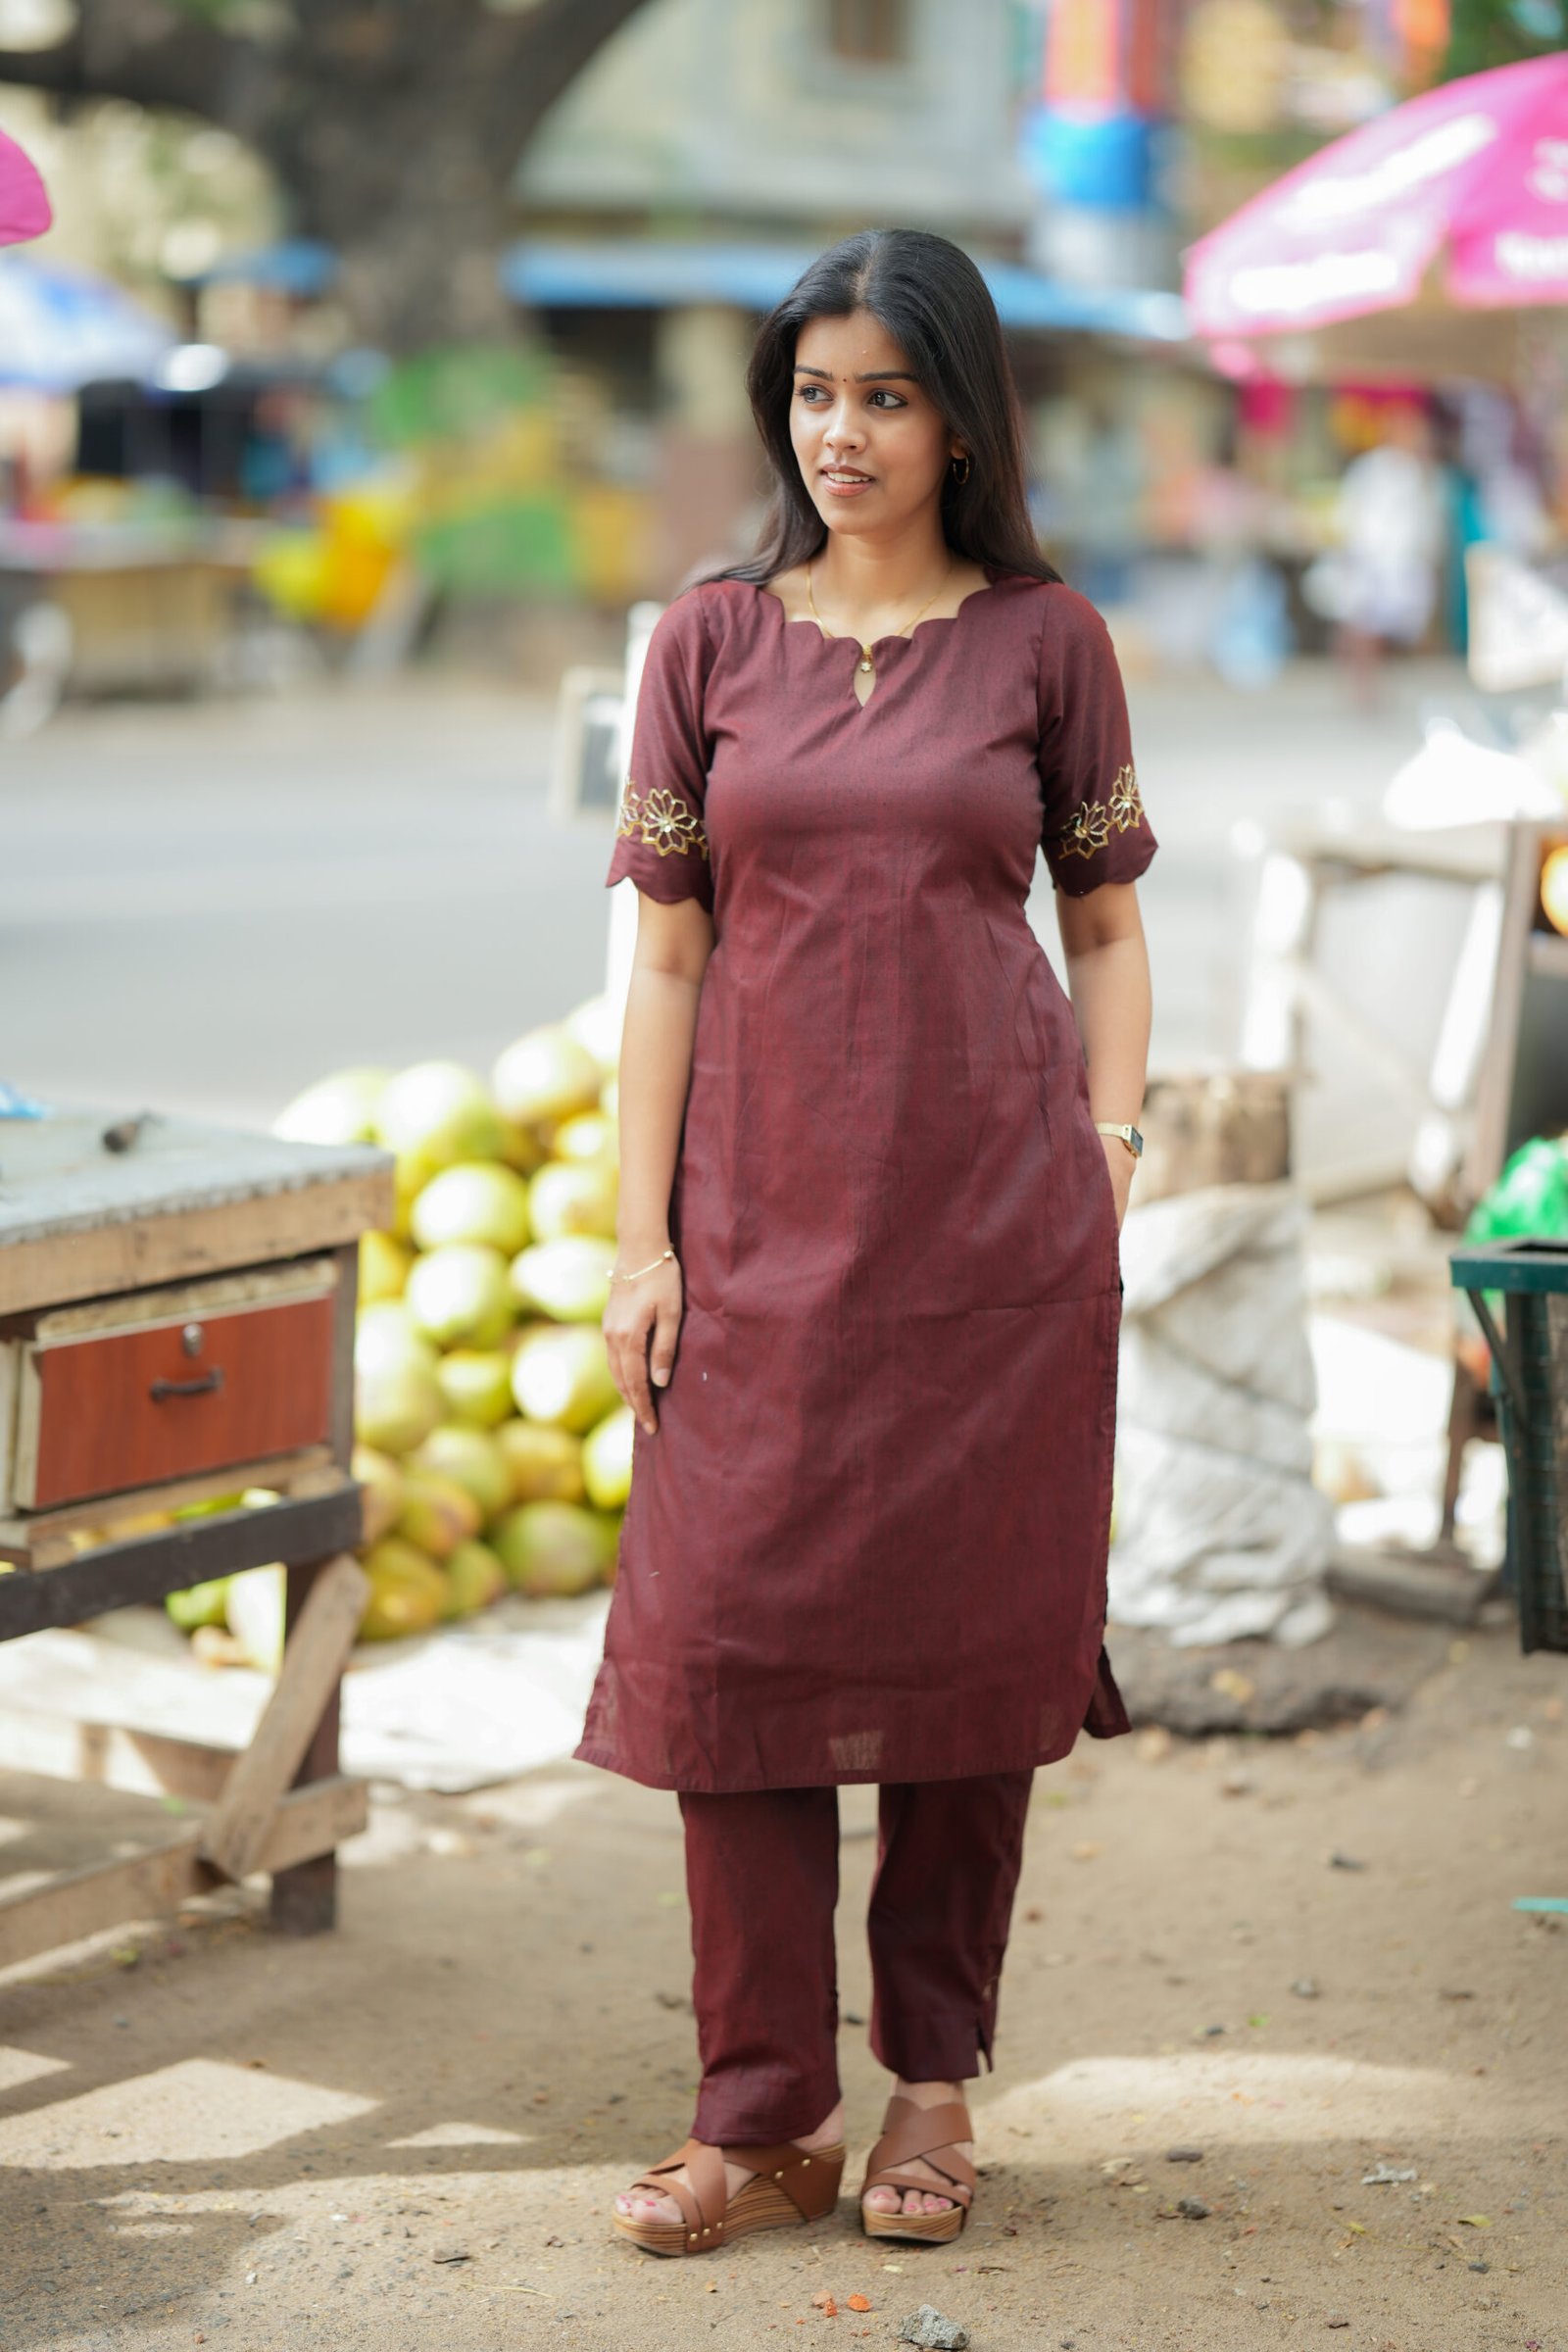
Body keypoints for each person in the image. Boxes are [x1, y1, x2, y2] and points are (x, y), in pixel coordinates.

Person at [581, 227, 1155, 2260]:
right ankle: (759, 2110)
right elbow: (662, 959)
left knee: (959, 1670)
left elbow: (1100, 923)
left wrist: (1102, 1149)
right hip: (751, 1239)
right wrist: (635, 1244)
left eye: (885, 397)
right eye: (814, 394)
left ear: (959, 417)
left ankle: (928, 2088)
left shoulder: (1044, 642)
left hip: (991, 1243)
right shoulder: (708, 641)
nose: (842, 433)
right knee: (721, 1652)